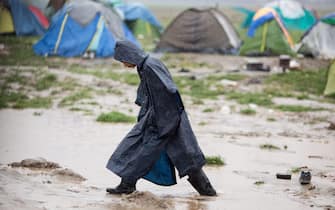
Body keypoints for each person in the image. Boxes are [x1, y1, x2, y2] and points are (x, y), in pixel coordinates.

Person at [106, 40, 216, 196]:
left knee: (188, 159)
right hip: (157, 119)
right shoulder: (145, 66)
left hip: (170, 119)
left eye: (123, 60)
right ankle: (127, 185)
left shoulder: (150, 66)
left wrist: (167, 122)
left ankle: (208, 193)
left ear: (129, 55)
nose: (123, 64)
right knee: (136, 149)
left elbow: (170, 91)